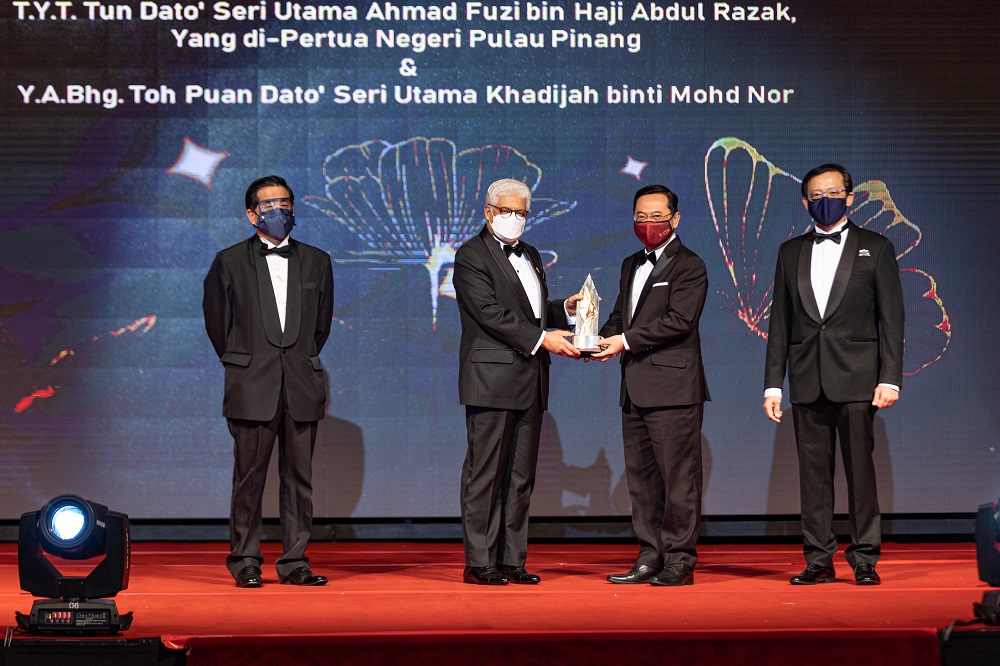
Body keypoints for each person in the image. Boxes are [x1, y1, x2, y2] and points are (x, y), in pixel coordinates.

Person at [763, 163, 904, 586]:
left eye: (832, 192)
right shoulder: (790, 252)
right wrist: (773, 383)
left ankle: (864, 558)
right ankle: (819, 559)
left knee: (861, 472)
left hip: (860, 380)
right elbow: (780, 325)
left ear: (849, 195)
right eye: (815, 195)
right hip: (807, 379)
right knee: (812, 476)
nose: (824, 200)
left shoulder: (875, 247)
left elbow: (891, 321)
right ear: (805, 202)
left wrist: (890, 377)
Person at [203, 175, 334, 588]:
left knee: (300, 480)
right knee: (249, 477)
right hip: (251, 385)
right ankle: (245, 559)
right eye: (270, 204)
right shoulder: (229, 261)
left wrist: (297, 360)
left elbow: (320, 327)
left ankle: (295, 562)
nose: (280, 211)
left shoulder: (317, 260)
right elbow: (218, 325)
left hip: (300, 383)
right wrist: (245, 362)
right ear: (251, 214)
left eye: (286, 203)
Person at [453, 178, 582, 585]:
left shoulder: (531, 254)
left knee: (520, 476)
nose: (515, 220)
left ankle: (512, 558)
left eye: (522, 213)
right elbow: (489, 312)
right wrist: (544, 338)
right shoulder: (471, 255)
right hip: (490, 380)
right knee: (485, 473)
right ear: (488, 211)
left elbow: (530, 310)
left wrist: (562, 309)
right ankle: (480, 561)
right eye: (507, 211)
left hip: (530, 379)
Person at [592, 184, 710, 587]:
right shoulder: (630, 264)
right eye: (641, 217)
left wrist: (624, 340)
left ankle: (680, 560)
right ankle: (649, 555)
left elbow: (680, 320)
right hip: (635, 389)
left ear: (675, 219)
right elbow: (620, 315)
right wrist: (590, 340)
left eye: (657, 216)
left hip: (675, 389)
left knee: (679, 480)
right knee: (642, 483)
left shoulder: (690, 265)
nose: (648, 224)